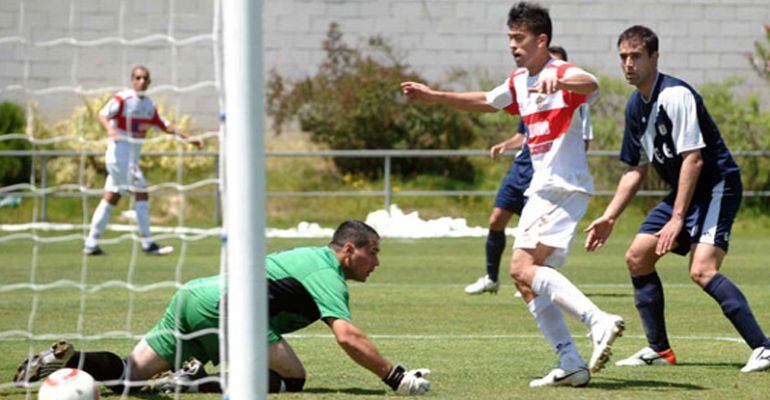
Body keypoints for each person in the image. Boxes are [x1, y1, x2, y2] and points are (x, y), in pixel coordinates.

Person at [401, 2, 623, 387]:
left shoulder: (559, 72)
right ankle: (570, 362)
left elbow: (592, 84)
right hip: (551, 187)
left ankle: (597, 321)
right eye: (510, 38)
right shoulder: (520, 80)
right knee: (528, 278)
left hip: (559, 185)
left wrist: (563, 83)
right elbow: (487, 101)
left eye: (519, 39)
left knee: (520, 268)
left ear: (542, 40)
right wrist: (434, 96)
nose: (513, 45)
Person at [15, 220, 432, 395]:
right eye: (372, 253)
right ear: (347, 250)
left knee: (128, 379)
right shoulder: (326, 271)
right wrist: (395, 378)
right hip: (230, 310)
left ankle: (63, 361)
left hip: (194, 295)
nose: (376, 262)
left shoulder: (309, 259)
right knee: (295, 379)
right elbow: (348, 336)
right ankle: (198, 381)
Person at [585, 25, 770, 372]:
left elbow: (694, 159)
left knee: (701, 270)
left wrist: (677, 217)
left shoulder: (675, 95)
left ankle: (764, 347)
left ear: (655, 57)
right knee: (638, 258)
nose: (628, 64)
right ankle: (659, 349)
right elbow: (635, 170)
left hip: (717, 185)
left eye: (636, 56)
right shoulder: (634, 106)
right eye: (623, 57)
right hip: (687, 191)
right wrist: (609, 217)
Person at [465, 45, 594, 296]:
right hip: (522, 167)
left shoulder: (574, 101)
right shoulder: (528, 91)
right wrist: (505, 144)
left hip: (549, 175)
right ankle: (493, 277)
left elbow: (583, 132)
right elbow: (522, 133)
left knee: (535, 246)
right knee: (496, 220)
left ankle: (533, 276)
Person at [82, 65, 203, 256]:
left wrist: (190, 138)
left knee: (111, 198)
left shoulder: (148, 106)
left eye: (145, 78)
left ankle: (91, 243)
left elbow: (166, 126)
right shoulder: (122, 98)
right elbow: (103, 114)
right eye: (138, 78)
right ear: (132, 80)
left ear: (149, 82)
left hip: (128, 160)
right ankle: (148, 244)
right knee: (142, 192)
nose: (141, 81)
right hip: (119, 156)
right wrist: (110, 129)